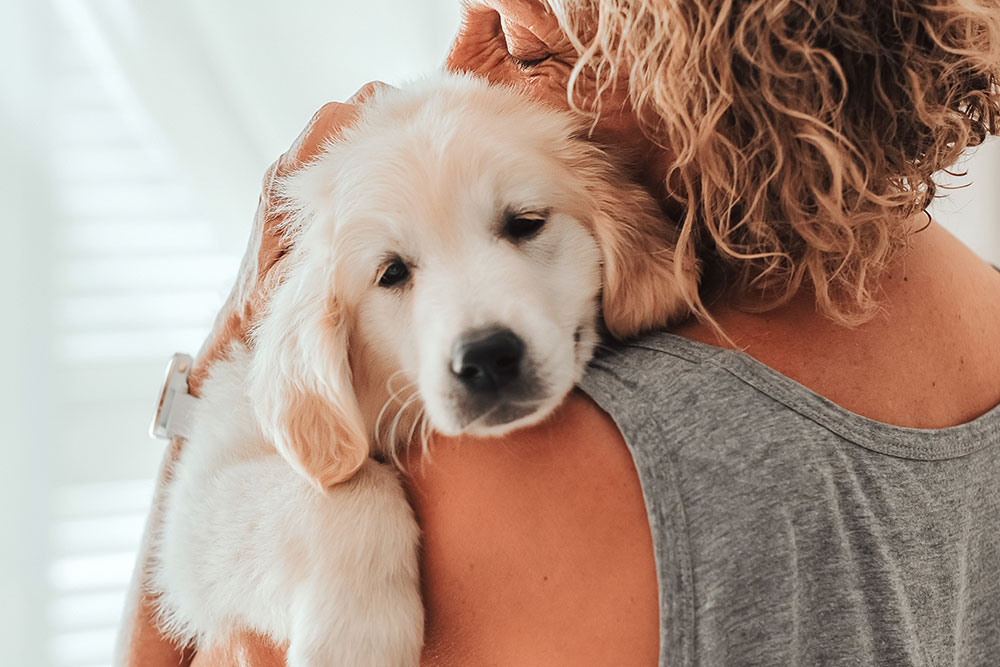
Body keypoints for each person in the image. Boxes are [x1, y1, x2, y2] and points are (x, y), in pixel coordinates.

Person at [118, 0, 1000, 664]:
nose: (467, 59)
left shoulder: (541, 466)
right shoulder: (982, 303)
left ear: (690, 59)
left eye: (528, 47)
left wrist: (231, 337)